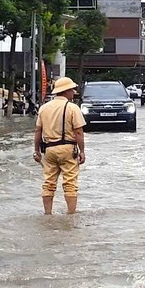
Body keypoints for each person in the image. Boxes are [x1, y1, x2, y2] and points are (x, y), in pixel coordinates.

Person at [34, 76, 87, 215]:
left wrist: (36, 151)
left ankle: (47, 214)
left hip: (49, 149)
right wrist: (82, 151)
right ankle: (70, 215)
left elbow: (38, 131)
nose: (73, 92)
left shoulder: (44, 108)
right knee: (70, 183)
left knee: (49, 182)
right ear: (67, 91)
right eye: (72, 90)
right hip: (67, 149)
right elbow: (79, 132)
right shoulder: (72, 108)